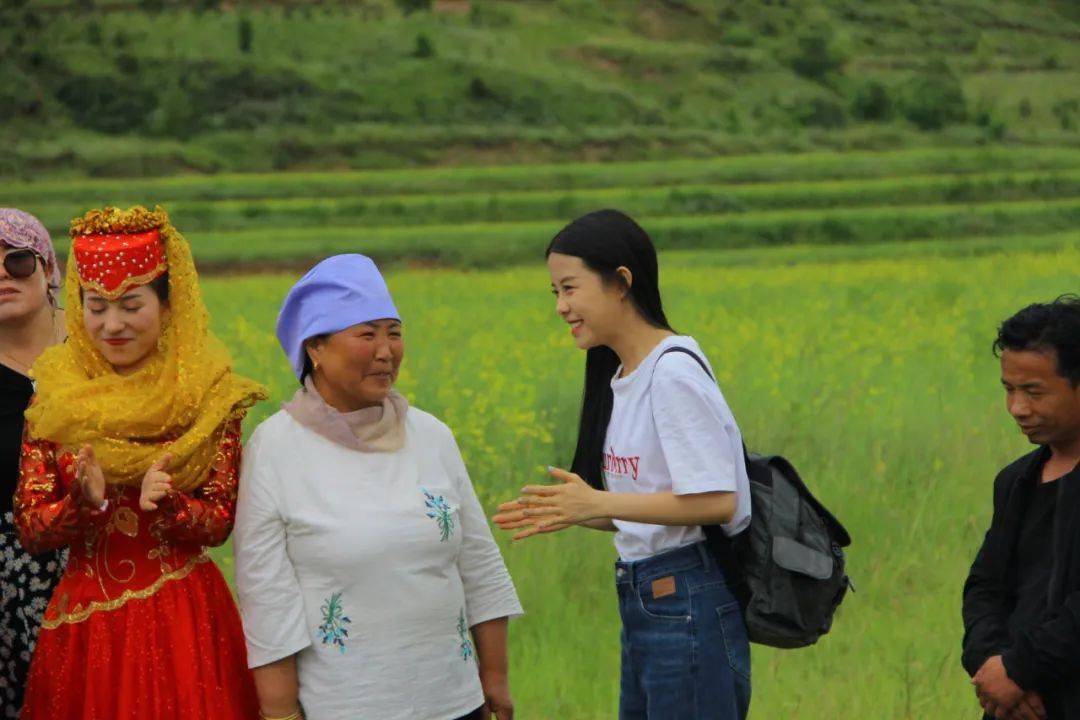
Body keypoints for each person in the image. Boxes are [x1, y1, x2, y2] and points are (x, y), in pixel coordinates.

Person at [234, 253, 522, 720]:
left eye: (394, 332)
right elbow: (266, 597)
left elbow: (479, 565)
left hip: (456, 701)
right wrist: (280, 711)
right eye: (367, 334)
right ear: (316, 349)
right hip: (346, 705)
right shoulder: (276, 449)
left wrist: (496, 680)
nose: (386, 350)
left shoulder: (432, 436)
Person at [493, 209, 751, 720]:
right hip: (646, 599)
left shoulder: (671, 373)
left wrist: (597, 501)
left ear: (621, 283)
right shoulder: (623, 376)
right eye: (555, 294)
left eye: (570, 288)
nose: (562, 307)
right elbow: (653, 503)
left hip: (686, 599)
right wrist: (573, 511)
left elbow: (718, 501)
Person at [14, 205, 267, 719]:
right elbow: (31, 529)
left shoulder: (204, 399)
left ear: (169, 306)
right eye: (97, 306)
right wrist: (80, 506)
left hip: (182, 617)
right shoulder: (56, 400)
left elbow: (218, 521)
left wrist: (169, 502)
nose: (112, 324)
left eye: (131, 305)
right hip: (86, 626)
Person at [963, 296, 1080, 720]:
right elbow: (984, 588)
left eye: (1034, 392)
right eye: (1009, 390)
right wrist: (990, 666)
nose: (1018, 409)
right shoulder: (1016, 481)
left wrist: (1018, 669)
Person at [0, 209, 66, 719]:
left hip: (98, 572)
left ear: (49, 271)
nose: (3, 272)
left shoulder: (98, 359)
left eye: (18, 260)